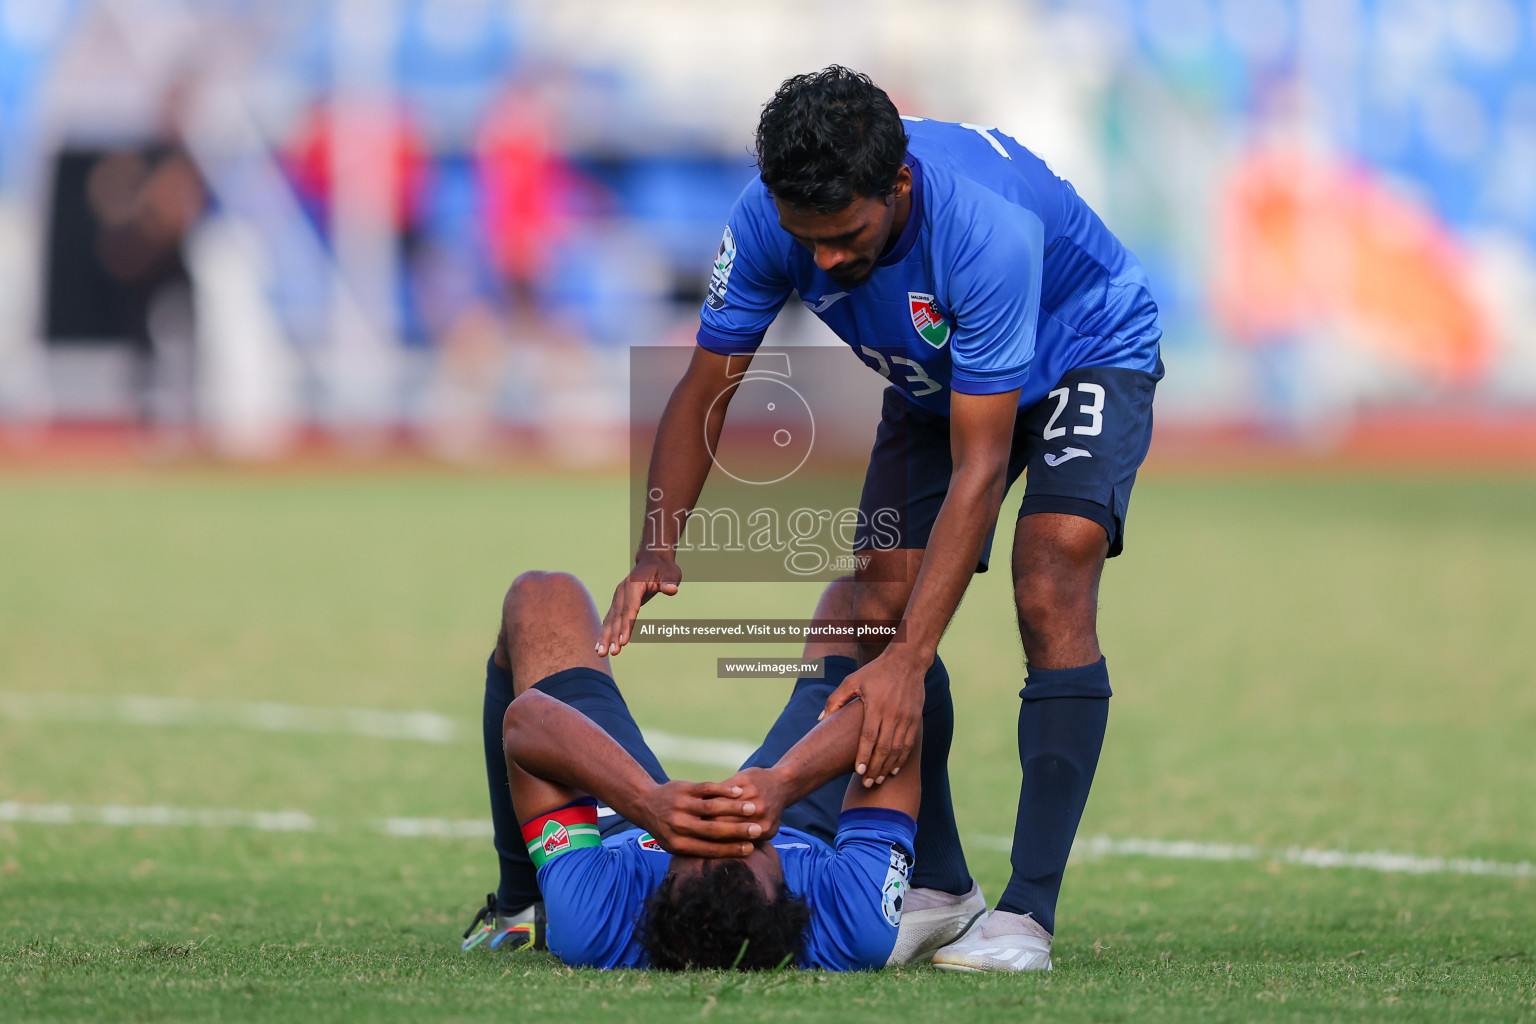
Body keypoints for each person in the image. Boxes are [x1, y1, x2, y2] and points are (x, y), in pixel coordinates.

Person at [597, 67, 1164, 972]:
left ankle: (1027, 915)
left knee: (1052, 569)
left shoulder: (983, 230)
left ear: (896, 187)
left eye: (845, 237)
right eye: (804, 239)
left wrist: (911, 664)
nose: (821, 260)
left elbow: (982, 469)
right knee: (877, 608)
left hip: (1083, 348)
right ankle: (940, 888)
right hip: (936, 379)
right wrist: (655, 550)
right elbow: (708, 383)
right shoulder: (765, 217)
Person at [462, 569, 983, 970]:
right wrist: (785, 783)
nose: (721, 819)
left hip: (627, 822)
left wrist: (644, 801)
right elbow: (903, 702)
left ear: (659, 891)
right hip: (803, 822)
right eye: (745, 841)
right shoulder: (848, 918)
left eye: (695, 846)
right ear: (793, 895)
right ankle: (948, 879)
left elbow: (527, 720)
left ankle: (519, 905)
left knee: (540, 595)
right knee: (867, 608)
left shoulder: (597, 918)